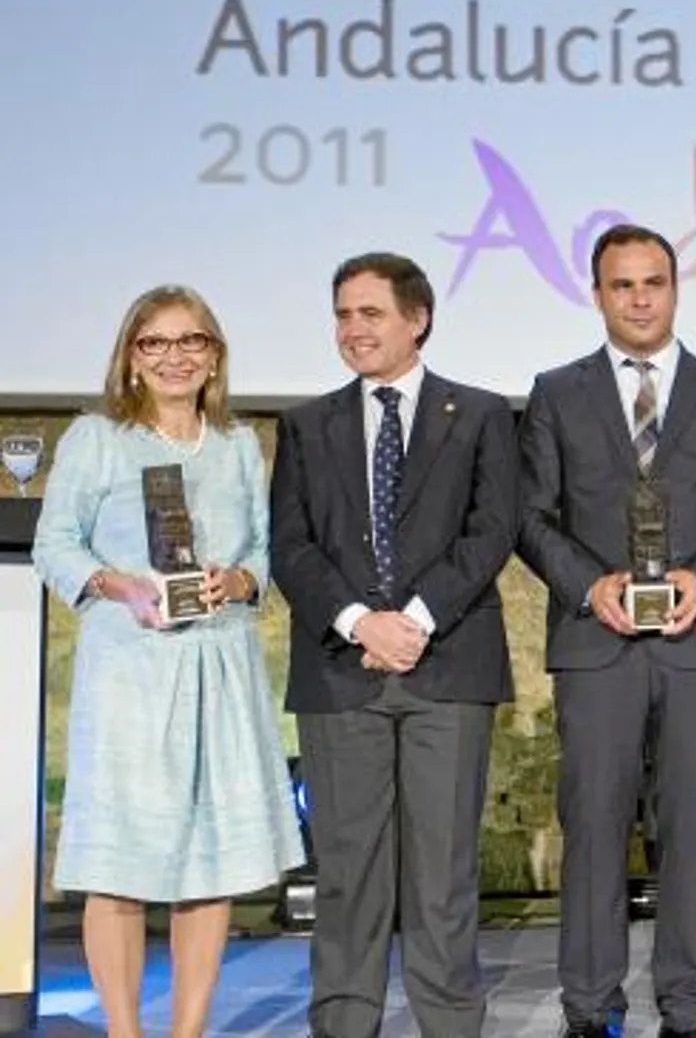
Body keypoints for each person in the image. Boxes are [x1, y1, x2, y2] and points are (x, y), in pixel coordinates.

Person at [517, 224, 696, 1038]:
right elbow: (531, 516)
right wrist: (591, 586)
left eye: (653, 282)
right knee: (593, 827)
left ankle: (691, 1006)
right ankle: (589, 1009)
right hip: (598, 644)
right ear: (597, 294)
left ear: (674, 288)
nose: (638, 298)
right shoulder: (556, 391)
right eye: (621, 285)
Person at [33, 285, 304, 1038]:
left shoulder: (238, 445)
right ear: (130, 356)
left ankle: (187, 1031)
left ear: (214, 356)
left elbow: (265, 553)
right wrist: (121, 585)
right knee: (120, 867)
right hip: (130, 670)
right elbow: (57, 544)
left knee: (207, 863)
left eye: (193, 342)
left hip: (219, 668)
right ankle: (126, 1031)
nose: (175, 356)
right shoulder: (97, 438)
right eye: (156, 342)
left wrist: (240, 580)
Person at [270, 253, 519, 1038]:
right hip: (342, 672)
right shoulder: (306, 426)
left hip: (446, 665)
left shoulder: (479, 415)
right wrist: (357, 621)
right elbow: (292, 546)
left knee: (443, 875)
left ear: (418, 318)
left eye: (370, 313)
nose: (353, 329)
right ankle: (345, 1025)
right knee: (347, 874)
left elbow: (492, 531)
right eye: (342, 314)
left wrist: (410, 618)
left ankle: (449, 1024)